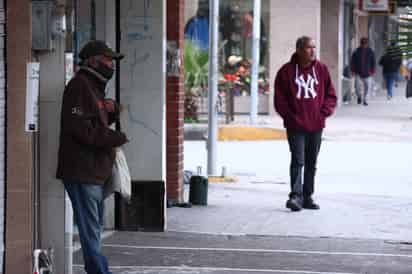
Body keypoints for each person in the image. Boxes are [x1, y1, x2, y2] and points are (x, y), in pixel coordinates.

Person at [56, 40, 128, 274]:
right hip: (82, 171)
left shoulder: (94, 87)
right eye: (108, 60)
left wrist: (112, 111)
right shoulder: (79, 86)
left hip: (94, 172)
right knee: (90, 230)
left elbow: (95, 122)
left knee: (93, 228)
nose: (111, 65)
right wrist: (115, 137)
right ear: (93, 61)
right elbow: (80, 129)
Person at [274, 36, 337, 212]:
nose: (312, 51)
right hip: (296, 126)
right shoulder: (286, 72)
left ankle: (308, 196)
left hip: (316, 125)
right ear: (299, 50)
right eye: (309, 48)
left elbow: (331, 95)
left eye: (314, 48)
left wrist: (323, 114)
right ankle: (295, 196)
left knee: (311, 162)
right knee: (298, 160)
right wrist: (291, 117)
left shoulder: (321, 69)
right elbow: (280, 99)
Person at [351, 37, 376, 106]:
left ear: (367, 44)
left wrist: (372, 71)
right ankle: (359, 96)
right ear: (360, 43)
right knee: (357, 87)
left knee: (367, 87)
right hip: (358, 72)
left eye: (365, 43)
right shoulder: (356, 51)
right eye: (362, 43)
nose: (364, 45)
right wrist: (353, 70)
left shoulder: (370, 51)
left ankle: (365, 99)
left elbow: (373, 62)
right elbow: (352, 61)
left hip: (367, 73)